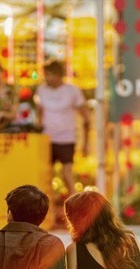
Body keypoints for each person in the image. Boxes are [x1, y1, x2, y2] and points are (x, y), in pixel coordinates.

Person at [35, 59, 91, 198]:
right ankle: (46, 207)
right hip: (47, 137)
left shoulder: (72, 91)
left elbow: (86, 116)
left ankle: (74, 203)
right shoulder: (41, 90)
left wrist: (85, 142)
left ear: (58, 75)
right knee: (46, 175)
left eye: (49, 74)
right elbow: (40, 113)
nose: (46, 78)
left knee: (67, 174)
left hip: (67, 137)